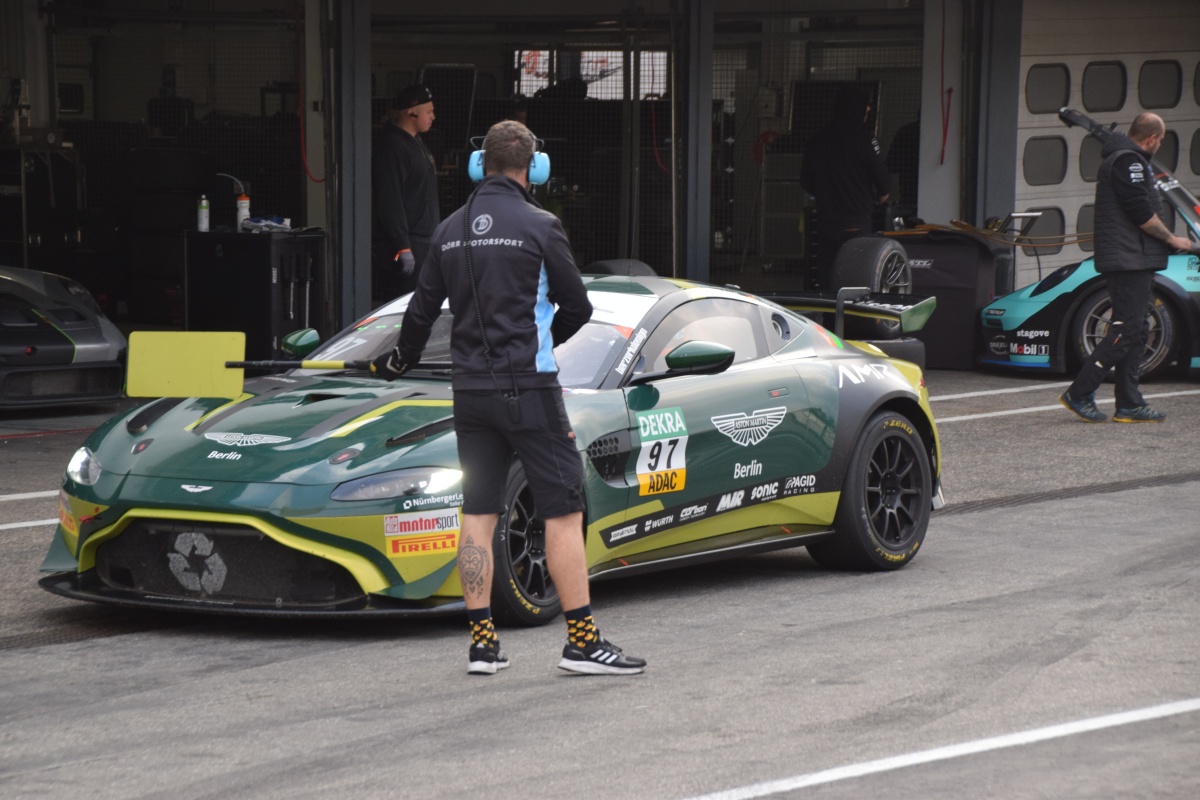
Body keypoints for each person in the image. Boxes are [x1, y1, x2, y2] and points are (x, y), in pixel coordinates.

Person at [371, 120, 647, 677]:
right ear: (533, 168)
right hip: (531, 388)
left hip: (469, 392)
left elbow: (420, 314)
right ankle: (582, 642)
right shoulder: (542, 225)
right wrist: (544, 339)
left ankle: (481, 645)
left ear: (480, 165)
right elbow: (579, 306)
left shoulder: (448, 230)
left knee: (477, 512)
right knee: (564, 512)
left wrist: (397, 361)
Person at [1059, 113, 1199, 423]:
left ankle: (1129, 403)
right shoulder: (1130, 162)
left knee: (1139, 330)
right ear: (1152, 139)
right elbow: (1142, 214)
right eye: (1160, 141)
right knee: (1127, 329)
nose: (1158, 145)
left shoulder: (1127, 159)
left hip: (1134, 258)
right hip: (1128, 260)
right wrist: (1175, 239)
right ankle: (1079, 393)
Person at [800, 86, 891, 287]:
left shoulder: (817, 139)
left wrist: (827, 194)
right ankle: (852, 318)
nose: (868, 110)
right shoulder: (866, 139)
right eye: (866, 106)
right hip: (856, 223)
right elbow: (883, 183)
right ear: (857, 107)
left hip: (826, 222)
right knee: (856, 277)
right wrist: (876, 198)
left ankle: (827, 317)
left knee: (827, 275)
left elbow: (805, 180)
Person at [372, 84, 440, 304]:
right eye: (429, 111)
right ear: (412, 112)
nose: (433, 117)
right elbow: (390, 200)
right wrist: (403, 246)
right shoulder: (391, 146)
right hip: (407, 244)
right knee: (403, 307)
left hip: (425, 241)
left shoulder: (418, 143)